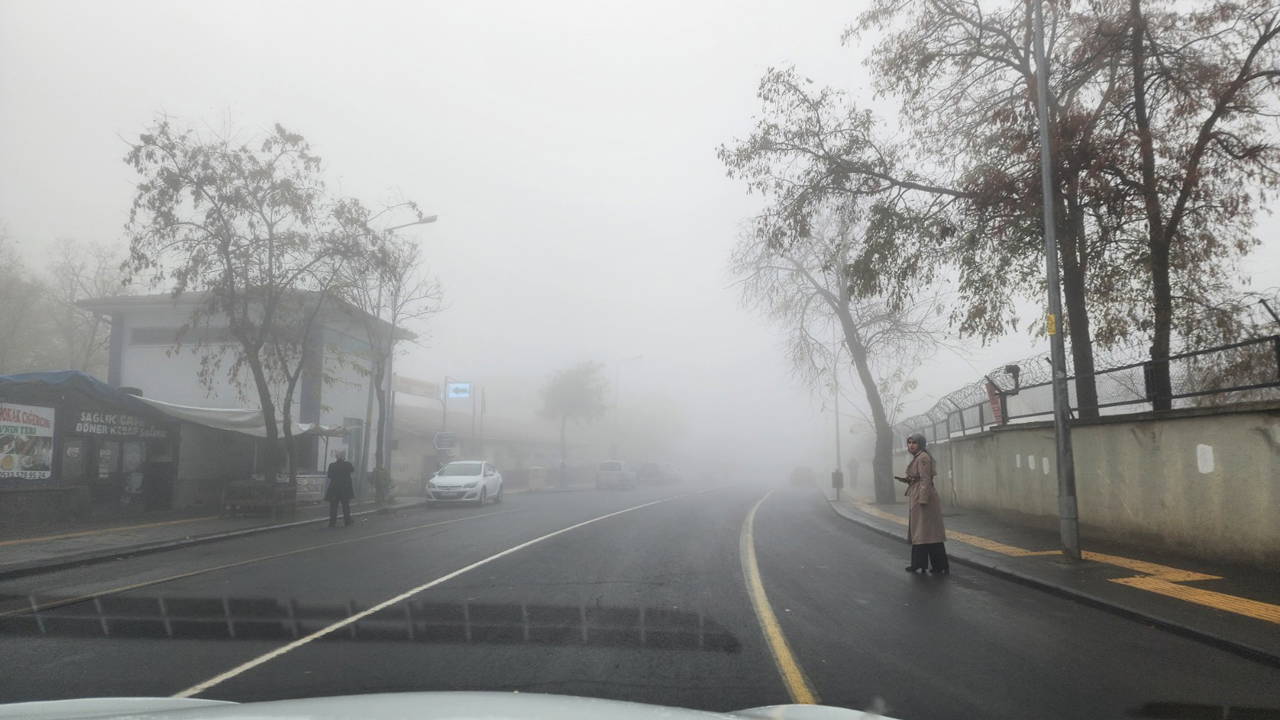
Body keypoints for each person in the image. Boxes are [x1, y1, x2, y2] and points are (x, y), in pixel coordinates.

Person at [895, 433, 950, 574]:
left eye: (914, 442)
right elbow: (919, 478)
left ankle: (924, 564)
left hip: (923, 498)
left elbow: (925, 479)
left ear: (920, 444)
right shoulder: (920, 457)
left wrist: (923, 499)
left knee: (923, 533)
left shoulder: (923, 457)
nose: (911, 445)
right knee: (926, 533)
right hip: (919, 494)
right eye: (909, 442)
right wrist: (908, 480)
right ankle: (933, 565)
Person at [326, 451, 356, 528]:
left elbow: (329, 476)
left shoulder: (331, 465)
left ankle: (332, 523)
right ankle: (347, 521)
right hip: (345, 489)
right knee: (346, 506)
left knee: (333, 507)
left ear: (336, 457)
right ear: (343, 457)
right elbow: (352, 470)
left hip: (334, 489)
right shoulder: (347, 464)